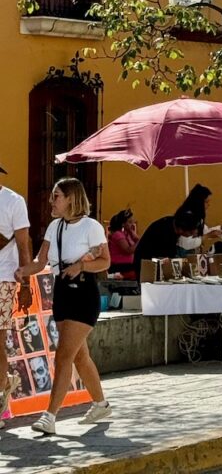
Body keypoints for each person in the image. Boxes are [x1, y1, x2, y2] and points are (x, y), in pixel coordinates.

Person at [16, 178, 111, 435]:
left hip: (84, 293)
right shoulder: (54, 227)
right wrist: (23, 271)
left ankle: (50, 415)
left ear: (71, 198)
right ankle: (101, 404)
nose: (51, 201)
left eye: (56, 196)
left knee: (64, 354)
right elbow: (41, 262)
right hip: (62, 293)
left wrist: (80, 265)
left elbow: (105, 262)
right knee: (79, 355)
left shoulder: (91, 227)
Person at [0, 163, 32, 429]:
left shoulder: (13, 201)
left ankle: (1, 401)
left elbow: (24, 244)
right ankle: (5, 385)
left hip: (4, 277)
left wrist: (25, 285)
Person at [134, 209, 201, 277]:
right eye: (190, 233)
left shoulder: (173, 224)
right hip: (146, 263)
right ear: (181, 229)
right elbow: (165, 257)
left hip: (155, 260)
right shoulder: (164, 230)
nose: (191, 235)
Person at [107, 209, 139, 275]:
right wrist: (139, 242)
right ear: (123, 224)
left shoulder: (127, 234)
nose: (132, 224)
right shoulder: (118, 234)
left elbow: (137, 245)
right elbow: (128, 250)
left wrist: (134, 235)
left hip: (127, 265)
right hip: (119, 267)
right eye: (130, 222)